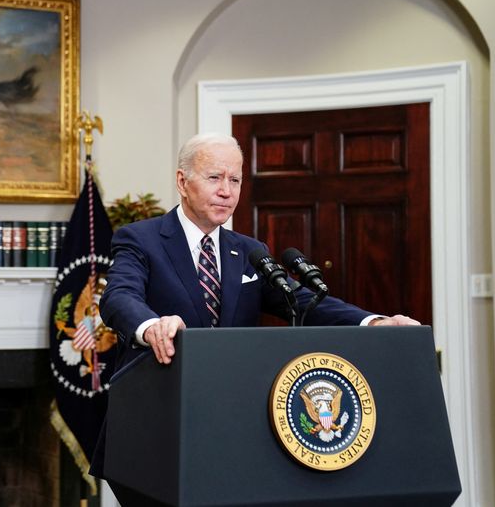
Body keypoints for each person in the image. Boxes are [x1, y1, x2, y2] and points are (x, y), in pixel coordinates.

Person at [91, 132, 418, 501]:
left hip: (234, 431)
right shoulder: (140, 239)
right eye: (214, 178)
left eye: (235, 180)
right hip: (160, 430)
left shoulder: (248, 251)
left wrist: (373, 322)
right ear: (183, 182)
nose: (226, 191)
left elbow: (302, 301)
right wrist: (151, 326)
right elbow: (119, 296)